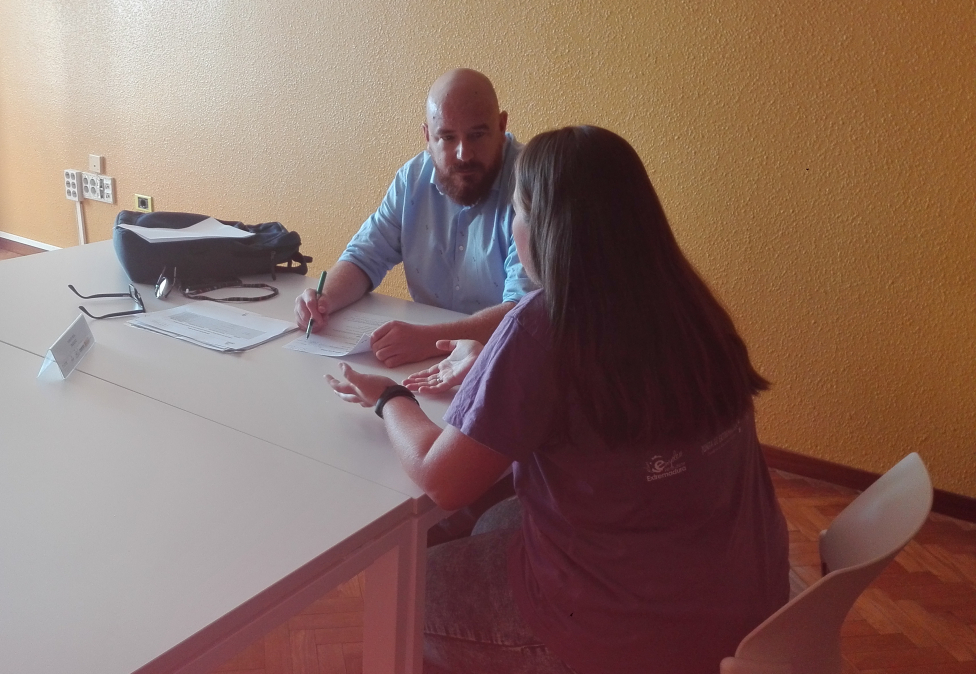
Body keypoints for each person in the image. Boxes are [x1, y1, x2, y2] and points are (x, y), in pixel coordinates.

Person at [325, 126, 789, 673]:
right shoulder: (688, 300)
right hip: (749, 602)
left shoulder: (546, 325)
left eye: (517, 212)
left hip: (632, 636)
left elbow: (440, 478)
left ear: (548, 229)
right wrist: (493, 365)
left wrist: (390, 397)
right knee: (495, 518)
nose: (512, 226)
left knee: (405, 588)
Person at [294, 68, 535, 368]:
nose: (463, 154)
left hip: (505, 360)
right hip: (427, 362)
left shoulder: (534, 186)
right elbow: (365, 257)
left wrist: (429, 340)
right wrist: (324, 299)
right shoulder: (412, 179)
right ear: (427, 136)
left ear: (501, 126)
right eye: (447, 137)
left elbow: (525, 311)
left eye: (477, 135)